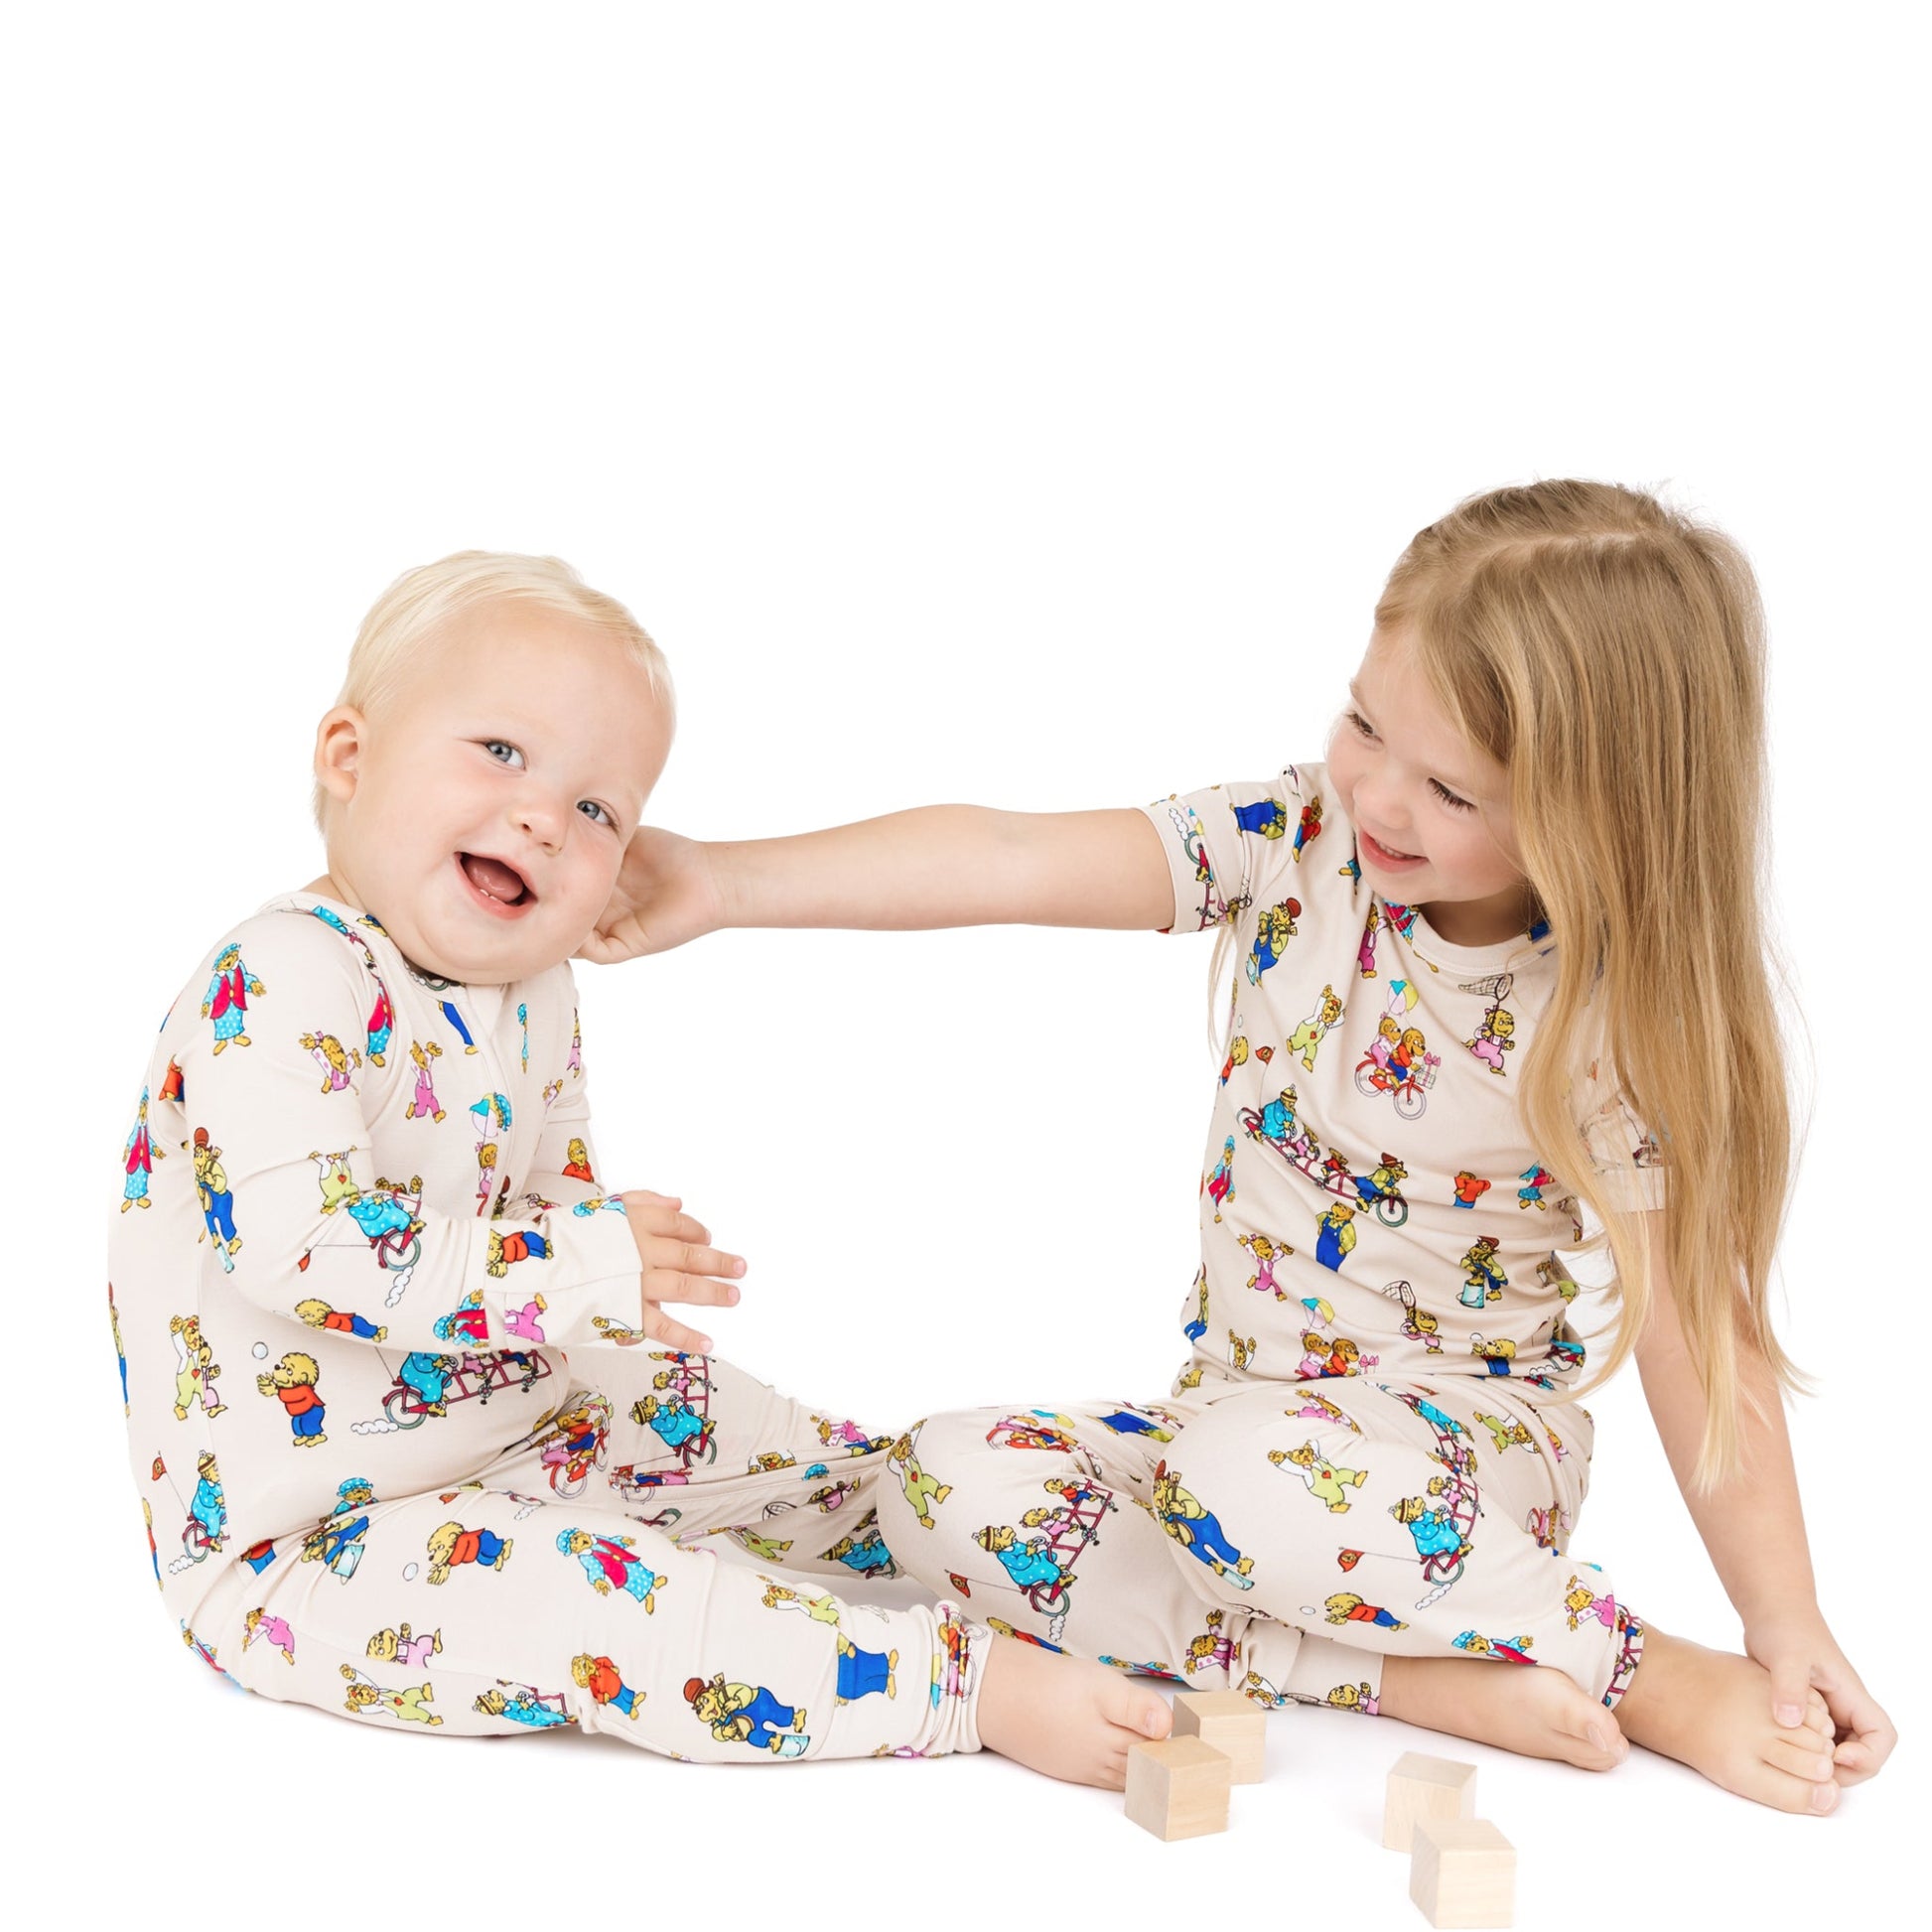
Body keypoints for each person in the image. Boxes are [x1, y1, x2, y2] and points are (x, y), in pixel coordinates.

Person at [581, 480, 1897, 1815]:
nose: (1374, 793)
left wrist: (1782, 1620)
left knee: (1240, 1482)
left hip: (1449, 1475)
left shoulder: (1603, 1018)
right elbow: (1008, 854)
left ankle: (1634, 1666)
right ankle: (1387, 1677)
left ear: (1594, 810)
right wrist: (724, 883)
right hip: (1223, 1438)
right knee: (937, 1483)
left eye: (1448, 787)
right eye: (1364, 722)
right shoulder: (1289, 842)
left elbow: (1695, 1331)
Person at [108, 550, 1174, 1780]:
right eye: (500, 751)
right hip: (311, 1539)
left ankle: (1004, 1525)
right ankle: (964, 1686)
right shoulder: (281, 972)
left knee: (772, 1442)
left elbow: (550, 1197)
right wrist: (582, 1265)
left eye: (598, 810)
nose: (543, 818)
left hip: (527, 1424)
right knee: (608, 1605)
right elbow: (304, 1246)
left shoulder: (530, 987)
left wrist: (611, 1285)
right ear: (349, 756)